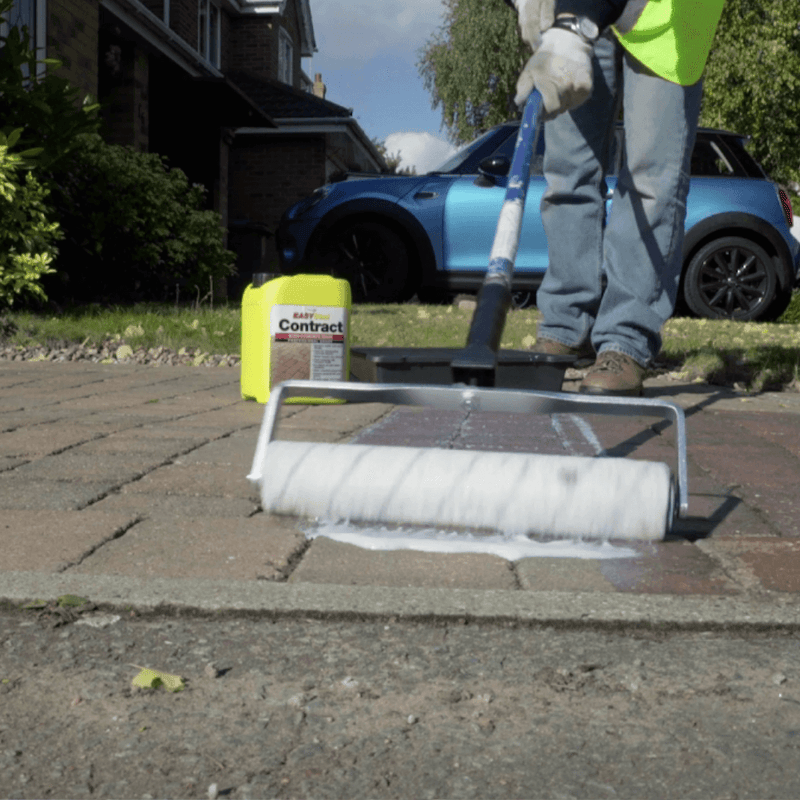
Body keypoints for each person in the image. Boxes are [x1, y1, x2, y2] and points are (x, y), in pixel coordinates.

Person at [505, 0, 725, 395]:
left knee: (651, 182)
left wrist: (574, 26)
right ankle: (563, 324)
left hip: (667, 20)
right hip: (583, 11)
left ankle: (626, 338)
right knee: (567, 171)